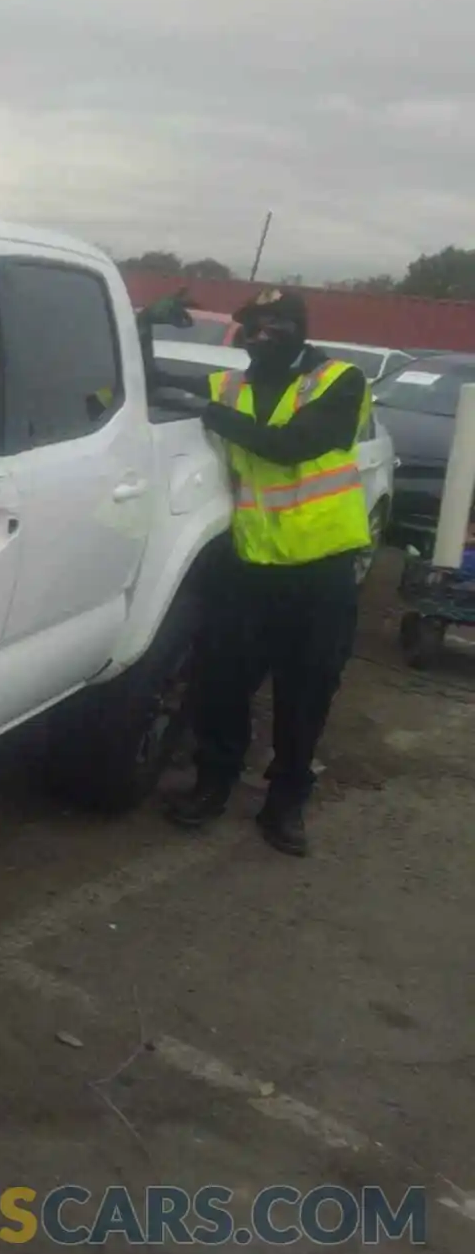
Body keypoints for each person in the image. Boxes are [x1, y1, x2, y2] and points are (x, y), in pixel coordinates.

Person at [155, 289, 371, 856]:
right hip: (249, 568)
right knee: (221, 684)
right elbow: (140, 382)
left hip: (320, 573)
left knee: (306, 695)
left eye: (276, 325)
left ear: (300, 329)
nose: (262, 335)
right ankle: (213, 784)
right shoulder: (230, 386)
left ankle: (286, 803)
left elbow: (290, 446)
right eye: (253, 325)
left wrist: (209, 412)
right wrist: (141, 323)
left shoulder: (339, 381)